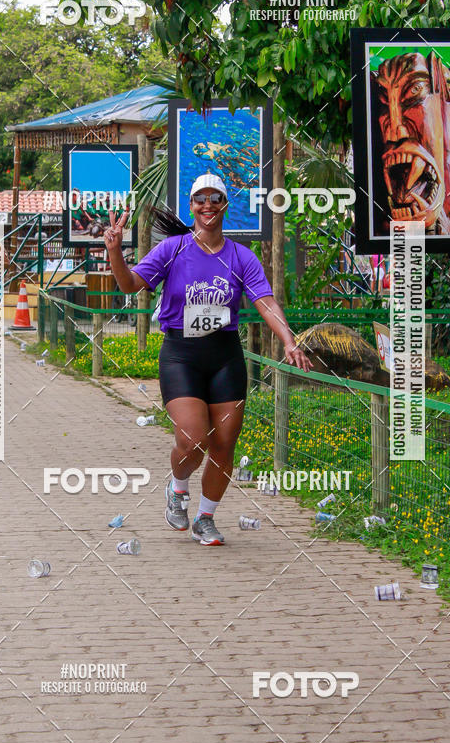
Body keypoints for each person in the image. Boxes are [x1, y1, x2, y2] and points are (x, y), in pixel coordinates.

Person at [104, 172, 312, 546]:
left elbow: (265, 301)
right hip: (181, 355)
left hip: (224, 357)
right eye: (201, 199)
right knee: (193, 439)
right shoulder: (174, 249)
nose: (208, 206)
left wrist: (289, 341)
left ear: (224, 206)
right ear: (192, 207)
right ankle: (177, 488)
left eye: (215, 199)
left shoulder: (240, 256)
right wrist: (116, 252)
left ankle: (206, 517)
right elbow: (130, 284)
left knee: (225, 443)